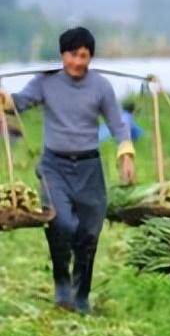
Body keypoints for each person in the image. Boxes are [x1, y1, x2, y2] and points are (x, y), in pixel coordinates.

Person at [0, 27, 136, 314]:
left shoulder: (100, 86)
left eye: (83, 56)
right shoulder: (46, 82)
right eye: (72, 55)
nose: (77, 62)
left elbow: (117, 122)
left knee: (88, 234)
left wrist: (126, 154)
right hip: (54, 167)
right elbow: (20, 102)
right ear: (63, 55)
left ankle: (81, 294)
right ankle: (62, 281)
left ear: (90, 57)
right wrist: (4, 99)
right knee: (61, 224)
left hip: (89, 168)